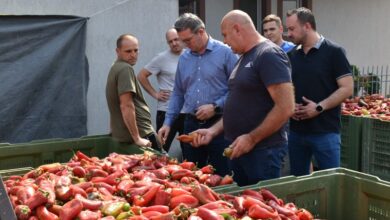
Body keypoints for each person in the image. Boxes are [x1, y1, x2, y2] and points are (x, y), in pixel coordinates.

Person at [192, 10, 295, 186]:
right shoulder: (243, 57)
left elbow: (286, 107)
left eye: (225, 35)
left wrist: (252, 138)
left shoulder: (268, 54)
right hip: (238, 150)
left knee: (262, 208)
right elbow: (239, 106)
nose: (224, 41)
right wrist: (213, 131)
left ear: (237, 29)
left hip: (262, 152)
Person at [158, 13, 238, 176]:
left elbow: (238, 91)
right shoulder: (184, 58)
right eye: (182, 41)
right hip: (191, 124)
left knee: (222, 175)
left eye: (187, 40)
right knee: (192, 175)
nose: (185, 45)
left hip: (221, 124)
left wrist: (216, 107)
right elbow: (178, 93)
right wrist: (167, 123)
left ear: (201, 31)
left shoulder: (226, 53)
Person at [285, 7, 353, 176]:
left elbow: (347, 88)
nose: (288, 34)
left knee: (331, 182)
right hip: (296, 133)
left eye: (292, 29)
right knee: (298, 185)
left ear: (307, 26)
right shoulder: (292, 55)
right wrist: (290, 105)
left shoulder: (334, 52)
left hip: (325, 133)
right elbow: (286, 87)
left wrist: (319, 107)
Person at [106, 34, 162, 151]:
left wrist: (113, 128)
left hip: (126, 135)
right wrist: (137, 138)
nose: (133, 55)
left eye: (136, 50)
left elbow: (114, 101)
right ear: (118, 51)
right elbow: (126, 105)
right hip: (142, 134)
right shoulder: (125, 69)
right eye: (128, 51)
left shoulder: (115, 67)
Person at [137, 28, 185, 153]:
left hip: (186, 111)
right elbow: (141, 75)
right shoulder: (162, 58)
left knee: (189, 150)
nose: (174, 43)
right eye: (170, 42)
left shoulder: (190, 55)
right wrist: (155, 94)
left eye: (176, 39)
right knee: (160, 150)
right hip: (166, 110)